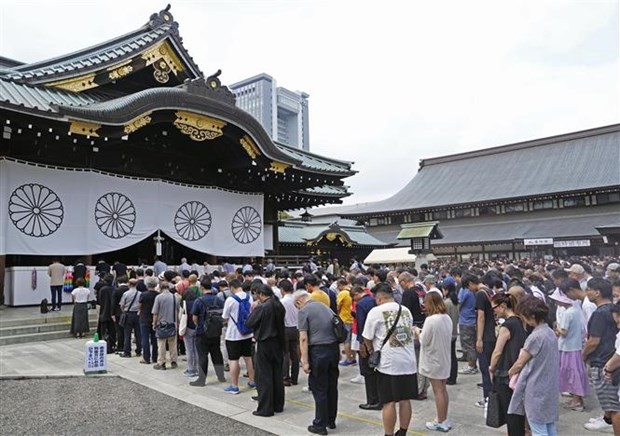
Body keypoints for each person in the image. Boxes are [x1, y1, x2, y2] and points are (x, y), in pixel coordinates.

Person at [361, 283, 417, 436]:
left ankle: (388, 434)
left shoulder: (376, 312)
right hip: (409, 361)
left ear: (379, 298)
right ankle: (403, 431)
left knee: (389, 401)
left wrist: (372, 350)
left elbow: (367, 337)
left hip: (389, 363)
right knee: (405, 399)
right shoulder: (405, 310)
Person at [508, 296, 559, 436]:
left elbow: (519, 364)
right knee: (549, 425)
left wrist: (510, 372)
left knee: (537, 427)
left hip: (535, 387)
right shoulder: (550, 333)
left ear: (531, 316)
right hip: (549, 385)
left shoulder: (535, 337)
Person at [295, 289, 340, 435]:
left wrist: (305, 361)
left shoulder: (304, 311)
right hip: (333, 349)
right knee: (332, 386)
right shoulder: (325, 307)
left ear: (299, 302)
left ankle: (319, 424)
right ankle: (330, 420)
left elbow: (303, 338)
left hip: (318, 351)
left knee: (319, 388)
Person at [582, 278, 620, 433]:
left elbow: (593, 341)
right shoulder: (612, 309)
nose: (586, 293)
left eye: (589, 289)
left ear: (597, 292)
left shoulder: (599, 313)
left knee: (613, 406)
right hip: (611, 358)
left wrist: (583, 355)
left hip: (603, 362)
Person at [489, 292, 527, 436]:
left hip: (505, 372)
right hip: (517, 370)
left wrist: (492, 368)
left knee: (509, 409)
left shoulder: (507, 326)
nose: (495, 312)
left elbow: (497, 351)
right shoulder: (519, 321)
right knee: (517, 408)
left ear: (503, 306)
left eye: (495, 308)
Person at [245, 284, 286, 417]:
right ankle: (278, 404)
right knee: (277, 375)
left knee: (264, 376)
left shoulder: (262, 307)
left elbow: (249, 323)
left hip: (265, 342)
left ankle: (265, 408)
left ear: (261, 294)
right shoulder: (278, 305)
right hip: (278, 342)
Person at [418, 292, 453, 432]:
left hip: (433, 359)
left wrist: (417, 333)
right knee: (443, 390)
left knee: (438, 390)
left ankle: (440, 420)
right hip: (444, 357)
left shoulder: (431, 320)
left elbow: (424, 340)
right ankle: (444, 417)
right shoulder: (447, 318)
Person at [553, 283, 588, 412]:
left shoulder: (568, 313)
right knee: (575, 373)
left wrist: (556, 328)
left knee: (572, 374)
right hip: (575, 346)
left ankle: (577, 400)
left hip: (568, 347)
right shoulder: (575, 310)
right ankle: (576, 399)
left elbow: (564, 331)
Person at [221, 279, 256, 394]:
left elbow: (225, 317)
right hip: (247, 333)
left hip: (233, 335)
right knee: (248, 358)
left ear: (231, 287)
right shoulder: (249, 297)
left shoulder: (230, 300)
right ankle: (252, 381)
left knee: (233, 360)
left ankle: (234, 385)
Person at [190, 278, 226, 386]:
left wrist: (199, 325)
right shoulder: (218, 300)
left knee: (203, 355)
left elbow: (194, 318)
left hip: (202, 332)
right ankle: (221, 376)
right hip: (216, 331)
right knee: (217, 354)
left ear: (201, 287)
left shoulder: (199, 301)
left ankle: (201, 379)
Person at [351, 284, 381, 409]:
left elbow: (362, 326)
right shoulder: (374, 300)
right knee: (377, 371)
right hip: (377, 339)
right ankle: (379, 398)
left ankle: (372, 400)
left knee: (368, 372)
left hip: (366, 340)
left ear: (357, 294)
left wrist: (362, 344)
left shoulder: (361, 305)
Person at [152, 277, 180, 370]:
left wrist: (154, 323)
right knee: (173, 344)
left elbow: (155, 312)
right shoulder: (175, 297)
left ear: (160, 288)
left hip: (162, 324)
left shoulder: (158, 297)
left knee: (161, 344)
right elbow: (177, 310)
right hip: (172, 323)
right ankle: (174, 361)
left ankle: (162, 362)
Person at [280, 279, 300, 386]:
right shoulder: (296, 299)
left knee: (285, 354)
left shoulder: (282, 302)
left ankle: (285, 377)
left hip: (286, 328)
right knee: (295, 354)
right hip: (296, 327)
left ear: (282, 290)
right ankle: (295, 377)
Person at [457, 274, 478, 375]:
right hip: (473, 319)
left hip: (466, 320)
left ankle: (471, 366)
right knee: (472, 344)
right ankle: (473, 364)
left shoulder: (464, 290)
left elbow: (459, 304)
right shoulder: (475, 292)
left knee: (468, 345)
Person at [181, 280, 200, 378]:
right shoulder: (198, 302)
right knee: (196, 349)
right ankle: (197, 368)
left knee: (189, 349)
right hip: (197, 327)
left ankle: (190, 369)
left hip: (187, 327)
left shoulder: (184, 304)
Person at [138, 276, 159, 364]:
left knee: (145, 338)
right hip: (155, 318)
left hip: (144, 317)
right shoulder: (158, 295)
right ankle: (155, 357)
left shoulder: (143, 294)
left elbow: (139, 306)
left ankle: (146, 358)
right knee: (155, 339)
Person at [118, 278, 141, 357]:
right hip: (137, 314)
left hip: (128, 314)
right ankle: (139, 350)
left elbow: (122, 305)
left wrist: (124, 311)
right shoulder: (140, 294)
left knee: (127, 334)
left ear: (129, 284)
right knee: (138, 333)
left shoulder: (126, 294)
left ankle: (127, 352)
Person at [442, 281, 459, 385]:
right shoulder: (455, 302)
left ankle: (450, 377)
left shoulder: (446, 303)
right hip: (454, 331)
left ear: (446, 290)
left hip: (447, 332)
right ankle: (453, 376)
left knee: (449, 356)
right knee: (453, 355)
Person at [337, 281, 356, 366]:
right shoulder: (352, 291)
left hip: (345, 318)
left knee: (346, 341)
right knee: (352, 340)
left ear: (341, 285)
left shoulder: (343, 293)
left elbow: (338, 306)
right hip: (353, 318)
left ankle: (348, 359)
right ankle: (354, 358)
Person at [111, 275, 129, 354]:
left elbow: (113, 303)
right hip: (128, 312)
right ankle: (127, 346)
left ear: (118, 282)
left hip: (118, 312)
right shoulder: (129, 289)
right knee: (127, 331)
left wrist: (112, 313)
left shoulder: (116, 290)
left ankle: (120, 346)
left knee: (119, 330)